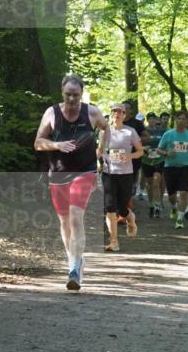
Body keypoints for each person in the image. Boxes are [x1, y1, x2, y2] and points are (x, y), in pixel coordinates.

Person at [34, 74, 108, 290]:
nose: (72, 99)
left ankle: (74, 269)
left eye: (76, 95)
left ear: (81, 93)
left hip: (85, 172)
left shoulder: (91, 112)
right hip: (58, 174)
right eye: (68, 94)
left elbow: (106, 128)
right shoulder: (52, 113)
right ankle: (74, 260)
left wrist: (102, 151)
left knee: (76, 217)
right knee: (64, 222)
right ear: (62, 92)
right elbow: (38, 143)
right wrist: (57, 146)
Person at [99, 103, 144, 251]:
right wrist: (97, 161)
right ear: (111, 115)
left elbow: (140, 151)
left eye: (120, 112)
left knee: (122, 207)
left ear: (125, 115)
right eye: (114, 112)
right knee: (110, 207)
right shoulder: (104, 132)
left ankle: (130, 218)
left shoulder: (130, 132)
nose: (117, 115)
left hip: (125, 174)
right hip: (108, 173)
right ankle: (114, 242)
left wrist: (129, 156)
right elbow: (99, 150)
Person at [157, 109, 188, 229]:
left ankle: (179, 219)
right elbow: (159, 149)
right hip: (170, 167)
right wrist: (167, 153)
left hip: (185, 167)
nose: (181, 121)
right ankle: (174, 207)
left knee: (183, 193)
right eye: (179, 118)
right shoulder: (168, 134)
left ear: (187, 121)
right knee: (171, 195)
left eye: (184, 119)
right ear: (175, 120)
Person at [141, 113, 166, 218]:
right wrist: (144, 148)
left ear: (156, 120)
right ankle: (151, 204)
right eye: (149, 119)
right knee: (149, 184)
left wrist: (162, 151)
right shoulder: (144, 131)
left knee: (156, 182)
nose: (151, 120)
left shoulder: (162, 131)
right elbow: (137, 144)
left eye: (153, 118)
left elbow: (167, 144)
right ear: (147, 120)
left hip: (159, 160)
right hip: (147, 160)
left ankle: (157, 206)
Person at [122, 100, 146, 204]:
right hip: (120, 156)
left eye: (127, 108)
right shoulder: (116, 121)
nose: (124, 110)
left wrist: (135, 140)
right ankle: (123, 203)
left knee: (131, 180)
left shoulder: (137, 123)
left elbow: (146, 137)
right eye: (123, 108)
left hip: (134, 156)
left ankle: (128, 204)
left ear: (131, 111)